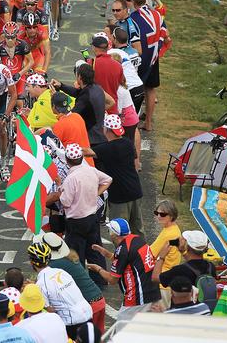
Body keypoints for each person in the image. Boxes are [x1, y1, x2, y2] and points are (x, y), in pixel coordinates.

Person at [34, 233, 106, 334]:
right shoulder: (69, 256)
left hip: (87, 308)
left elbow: (44, 285)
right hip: (98, 301)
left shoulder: (53, 265)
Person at [57, 143, 112, 272]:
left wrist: (60, 187)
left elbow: (65, 202)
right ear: (82, 157)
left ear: (67, 160)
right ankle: (99, 279)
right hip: (92, 218)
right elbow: (108, 180)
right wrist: (96, 194)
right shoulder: (91, 170)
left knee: (76, 256)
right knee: (95, 250)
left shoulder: (70, 179)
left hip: (76, 221)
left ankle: (79, 283)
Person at [87, 218, 161, 313]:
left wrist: (98, 269)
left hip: (137, 298)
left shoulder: (123, 249)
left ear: (114, 234)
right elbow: (125, 261)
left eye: (109, 230)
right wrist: (105, 253)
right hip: (153, 292)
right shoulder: (137, 240)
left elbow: (112, 279)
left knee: (121, 326)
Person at [89, 114, 144, 236]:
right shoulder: (128, 143)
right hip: (135, 191)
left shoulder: (107, 148)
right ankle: (142, 253)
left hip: (120, 197)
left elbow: (88, 152)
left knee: (118, 233)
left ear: (106, 130)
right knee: (138, 230)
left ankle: (122, 254)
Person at [26, 243, 92, 339]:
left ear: (32, 262)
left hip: (71, 322)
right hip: (87, 312)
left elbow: (49, 310)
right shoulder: (61, 272)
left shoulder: (40, 284)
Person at [129, 0, 169, 131]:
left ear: (133, 3)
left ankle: (132, 120)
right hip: (153, 57)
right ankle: (148, 123)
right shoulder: (157, 15)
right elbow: (165, 33)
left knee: (136, 89)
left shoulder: (132, 18)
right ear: (146, 1)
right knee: (150, 89)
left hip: (140, 58)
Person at [52, 64, 109, 147]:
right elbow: (77, 92)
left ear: (80, 77)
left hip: (91, 139)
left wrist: (57, 97)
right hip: (100, 133)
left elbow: (71, 116)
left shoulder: (86, 96)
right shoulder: (97, 88)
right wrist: (61, 86)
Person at [146, 199, 182, 309]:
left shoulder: (168, 234)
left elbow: (150, 254)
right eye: (157, 213)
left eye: (162, 214)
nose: (158, 216)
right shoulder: (173, 229)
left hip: (161, 284)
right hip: (168, 279)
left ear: (171, 215)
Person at [152, 230, 216, 287]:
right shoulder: (211, 267)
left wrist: (161, 257)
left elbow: (155, 278)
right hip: (204, 300)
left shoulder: (180, 270)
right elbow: (193, 266)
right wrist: (182, 252)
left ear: (188, 246)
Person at [50, 92, 94, 166]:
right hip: (89, 164)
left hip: (77, 168)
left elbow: (52, 147)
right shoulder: (78, 117)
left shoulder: (59, 125)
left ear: (53, 106)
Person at [0, 22, 34, 96]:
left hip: (19, 76)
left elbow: (31, 62)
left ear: (16, 36)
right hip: (5, 77)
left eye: (12, 37)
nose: (10, 40)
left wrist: (20, 73)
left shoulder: (23, 45)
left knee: (19, 102)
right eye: (8, 38)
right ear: (4, 36)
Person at [89, 33, 124, 114]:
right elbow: (121, 82)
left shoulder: (92, 63)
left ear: (94, 48)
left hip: (97, 107)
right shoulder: (118, 65)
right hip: (113, 108)